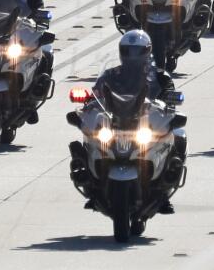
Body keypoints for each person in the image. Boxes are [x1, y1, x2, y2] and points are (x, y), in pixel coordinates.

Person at [71, 30, 186, 214]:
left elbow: (169, 100)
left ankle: (164, 189)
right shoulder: (110, 75)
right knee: (87, 140)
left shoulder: (160, 76)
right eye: (128, 50)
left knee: (179, 135)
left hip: (144, 122)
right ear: (121, 51)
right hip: (116, 121)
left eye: (137, 51)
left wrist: (169, 102)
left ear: (147, 51)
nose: (132, 55)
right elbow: (97, 95)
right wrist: (87, 103)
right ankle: (92, 186)